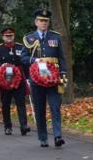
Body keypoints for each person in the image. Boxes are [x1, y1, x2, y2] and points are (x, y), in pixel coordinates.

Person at [21, 9, 67, 148]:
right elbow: (23, 58)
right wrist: (35, 60)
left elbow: (62, 59)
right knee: (40, 109)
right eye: (41, 20)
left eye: (46, 21)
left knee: (55, 107)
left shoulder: (56, 37)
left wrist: (63, 78)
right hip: (36, 79)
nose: (44, 23)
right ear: (36, 22)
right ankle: (43, 138)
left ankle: (58, 136)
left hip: (54, 79)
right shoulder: (29, 38)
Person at [0, 27, 30, 136]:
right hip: (5, 80)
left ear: (14, 36)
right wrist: (1, 65)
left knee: (21, 103)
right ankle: (8, 126)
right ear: (3, 37)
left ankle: (24, 126)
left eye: (11, 36)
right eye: (7, 36)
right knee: (6, 104)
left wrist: (27, 78)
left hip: (19, 79)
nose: (9, 38)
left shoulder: (20, 47)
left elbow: (25, 63)